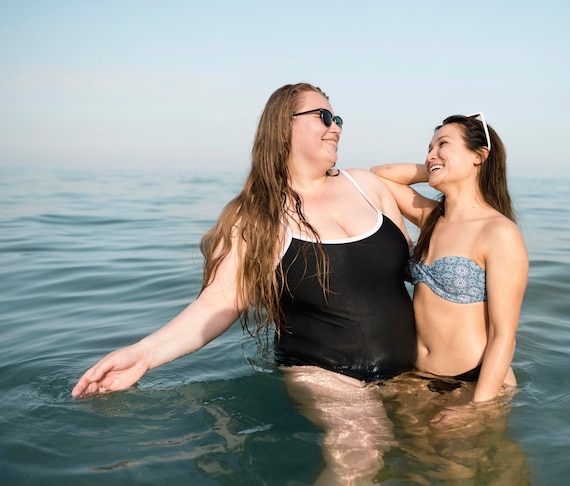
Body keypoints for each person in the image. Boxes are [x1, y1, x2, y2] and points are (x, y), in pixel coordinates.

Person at [72, 82, 416, 482]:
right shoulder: (258, 216)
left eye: (337, 118)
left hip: (409, 374)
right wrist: (144, 355)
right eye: (323, 116)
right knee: (361, 449)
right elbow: (218, 302)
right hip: (326, 374)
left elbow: (418, 268)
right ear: (283, 128)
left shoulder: (367, 187)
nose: (335, 126)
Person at [371, 113, 528, 426]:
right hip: (417, 378)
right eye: (429, 147)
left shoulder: (499, 233)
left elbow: (503, 335)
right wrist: (435, 166)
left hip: (472, 383)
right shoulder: (431, 219)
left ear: (479, 156)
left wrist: (476, 408)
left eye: (443, 144)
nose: (431, 154)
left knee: (464, 473)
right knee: (412, 470)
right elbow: (378, 176)